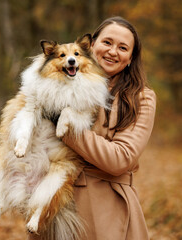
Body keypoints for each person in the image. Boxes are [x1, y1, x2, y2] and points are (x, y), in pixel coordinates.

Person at [31, 16, 156, 240]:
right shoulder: (55, 82)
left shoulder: (141, 97)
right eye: (107, 42)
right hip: (55, 198)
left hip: (106, 207)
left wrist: (66, 126)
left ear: (130, 58)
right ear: (92, 45)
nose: (113, 51)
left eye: (123, 47)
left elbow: (121, 158)